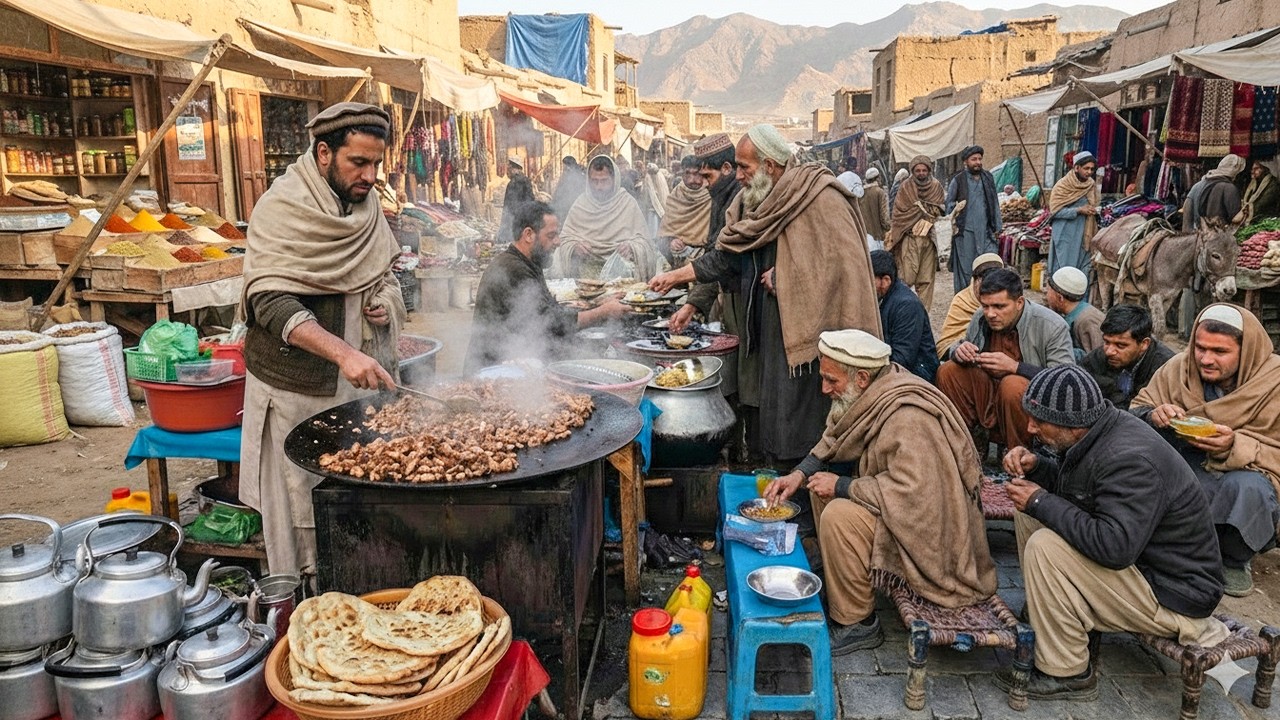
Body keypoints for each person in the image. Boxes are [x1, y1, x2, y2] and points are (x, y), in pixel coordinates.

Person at [240, 102, 406, 577]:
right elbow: (268, 303)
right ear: (324, 152)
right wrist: (342, 351)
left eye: (376, 163)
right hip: (297, 394)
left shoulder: (366, 205)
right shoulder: (281, 208)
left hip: (356, 386)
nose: (371, 176)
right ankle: (304, 615)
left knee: (353, 512)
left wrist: (383, 303)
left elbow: (384, 276)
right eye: (359, 162)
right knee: (301, 522)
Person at [650, 124, 882, 462]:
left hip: (814, 332)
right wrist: (679, 278)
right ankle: (779, 475)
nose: (739, 176)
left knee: (809, 413)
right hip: (769, 322)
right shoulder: (755, 202)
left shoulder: (821, 197)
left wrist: (788, 276)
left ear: (770, 166)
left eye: (745, 167)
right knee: (774, 412)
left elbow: (844, 264)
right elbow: (729, 255)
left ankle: (810, 480)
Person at [995, 365, 1227, 701]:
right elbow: (1084, 493)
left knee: (1044, 540)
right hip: (1144, 569)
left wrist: (1039, 500)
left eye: (1039, 421)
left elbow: (1114, 547)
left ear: (1073, 426)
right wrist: (1039, 469)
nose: (1030, 427)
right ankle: (1053, 614)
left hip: (1174, 598)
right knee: (1030, 512)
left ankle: (1067, 670)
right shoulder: (1101, 431)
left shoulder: (1130, 459)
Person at [764, 330, 996, 654]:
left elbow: (914, 495)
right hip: (902, 506)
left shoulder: (909, 419)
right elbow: (837, 436)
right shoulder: (874, 388)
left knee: (839, 514)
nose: (824, 389)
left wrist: (843, 487)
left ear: (860, 378)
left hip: (934, 536)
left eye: (831, 381)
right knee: (820, 486)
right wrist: (799, 474)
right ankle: (842, 578)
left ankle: (858, 623)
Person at [1132, 304, 1280, 596]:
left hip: (1242, 476)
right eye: (1200, 348)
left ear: (1247, 350)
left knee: (1249, 490)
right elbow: (1136, 409)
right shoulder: (1179, 368)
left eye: (1219, 352)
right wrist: (1154, 414)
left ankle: (1234, 559)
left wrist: (1235, 444)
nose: (1205, 359)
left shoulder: (1273, 383)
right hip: (1186, 466)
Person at [465, 201, 631, 373]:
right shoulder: (513, 269)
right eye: (551, 236)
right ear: (528, 234)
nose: (558, 242)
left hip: (520, 358)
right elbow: (551, 325)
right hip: (497, 371)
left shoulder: (529, 261)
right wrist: (603, 312)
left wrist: (599, 304)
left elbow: (547, 312)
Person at [937, 268, 1074, 453]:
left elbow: (1066, 379)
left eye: (999, 307)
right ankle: (968, 445)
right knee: (948, 371)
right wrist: (959, 351)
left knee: (1012, 385)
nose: (991, 314)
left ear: (1019, 303)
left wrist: (1016, 367)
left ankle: (1020, 455)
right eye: (986, 306)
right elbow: (962, 346)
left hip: (1030, 406)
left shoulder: (1051, 325)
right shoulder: (981, 317)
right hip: (988, 393)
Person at [552, 155, 658, 280]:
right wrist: (574, 247)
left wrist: (632, 247)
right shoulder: (580, 204)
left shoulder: (627, 203)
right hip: (586, 282)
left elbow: (646, 243)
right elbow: (563, 241)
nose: (599, 187)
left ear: (614, 179)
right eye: (594, 181)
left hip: (622, 281)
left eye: (604, 181)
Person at [1079, 304, 1175, 410]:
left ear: (1144, 344)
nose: (1109, 351)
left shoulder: (1166, 368)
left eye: (1120, 345)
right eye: (1106, 342)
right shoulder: (1098, 358)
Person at [870, 250, 939, 382]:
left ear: (885, 281)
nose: (865, 286)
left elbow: (903, 359)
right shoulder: (883, 298)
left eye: (869, 280)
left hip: (918, 373)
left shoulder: (907, 306)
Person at [888, 155, 945, 309]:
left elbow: (939, 210)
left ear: (929, 170)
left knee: (926, 280)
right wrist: (918, 214)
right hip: (911, 238)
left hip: (928, 239)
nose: (921, 173)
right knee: (906, 277)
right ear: (912, 171)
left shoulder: (936, 187)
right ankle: (903, 310)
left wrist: (930, 213)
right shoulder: (906, 187)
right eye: (917, 170)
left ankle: (923, 314)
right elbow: (899, 213)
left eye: (924, 170)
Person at [946, 146, 1002, 294]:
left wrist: (998, 226)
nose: (977, 162)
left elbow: (994, 202)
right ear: (966, 162)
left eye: (979, 159)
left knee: (987, 265)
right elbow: (948, 205)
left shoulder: (988, 178)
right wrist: (956, 207)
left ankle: (984, 297)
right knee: (966, 268)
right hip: (965, 232)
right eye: (974, 159)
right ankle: (965, 300)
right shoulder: (958, 180)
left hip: (986, 230)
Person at [936, 253, 1003, 359]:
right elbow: (943, 346)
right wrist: (959, 349)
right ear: (975, 280)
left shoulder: (1010, 299)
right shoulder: (962, 301)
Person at [1047, 151, 1100, 280]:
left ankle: (1080, 299)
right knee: (1065, 271)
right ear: (1076, 168)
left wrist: (1094, 210)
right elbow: (1055, 212)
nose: (1089, 172)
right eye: (1086, 168)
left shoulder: (1091, 185)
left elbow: (1096, 202)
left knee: (1083, 270)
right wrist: (1078, 210)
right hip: (1065, 233)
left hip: (1086, 233)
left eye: (1092, 169)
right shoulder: (1062, 186)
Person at [658, 155, 712, 269]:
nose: (692, 180)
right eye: (687, 173)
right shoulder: (675, 196)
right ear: (682, 174)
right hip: (678, 264)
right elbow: (663, 236)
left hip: (707, 263)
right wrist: (671, 242)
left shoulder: (712, 195)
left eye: (697, 174)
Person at [1044, 267, 1104, 361]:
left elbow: (1097, 361)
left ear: (1060, 298)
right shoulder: (1072, 315)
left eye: (1048, 291)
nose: (1046, 295)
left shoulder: (1088, 320)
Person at [1184, 154, 1245, 231]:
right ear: (1235, 171)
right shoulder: (1229, 188)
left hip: (1195, 237)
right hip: (1217, 239)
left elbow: (1186, 212)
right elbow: (1237, 218)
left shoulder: (1197, 186)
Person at [499, 156, 535, 243]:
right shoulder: (527, 180)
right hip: (526, 220)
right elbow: (531, 200)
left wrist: (504, 228)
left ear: (512, 168)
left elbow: (509, 206)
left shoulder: (514, 182)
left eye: (508, 168)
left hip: (516, 222)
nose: (507, 171)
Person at [858, 167, 891, 250]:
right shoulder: (879, 192)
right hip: (877, 236)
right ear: (878, 178)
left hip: (863, 236)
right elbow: (884, 217)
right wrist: (889, 228)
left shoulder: (860, 193)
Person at [640, 162, 670, 238]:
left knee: (654, 231)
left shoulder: (654, 179)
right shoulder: (649, 179)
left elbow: (658, 197)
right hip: (652, 211)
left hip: (654, 211)